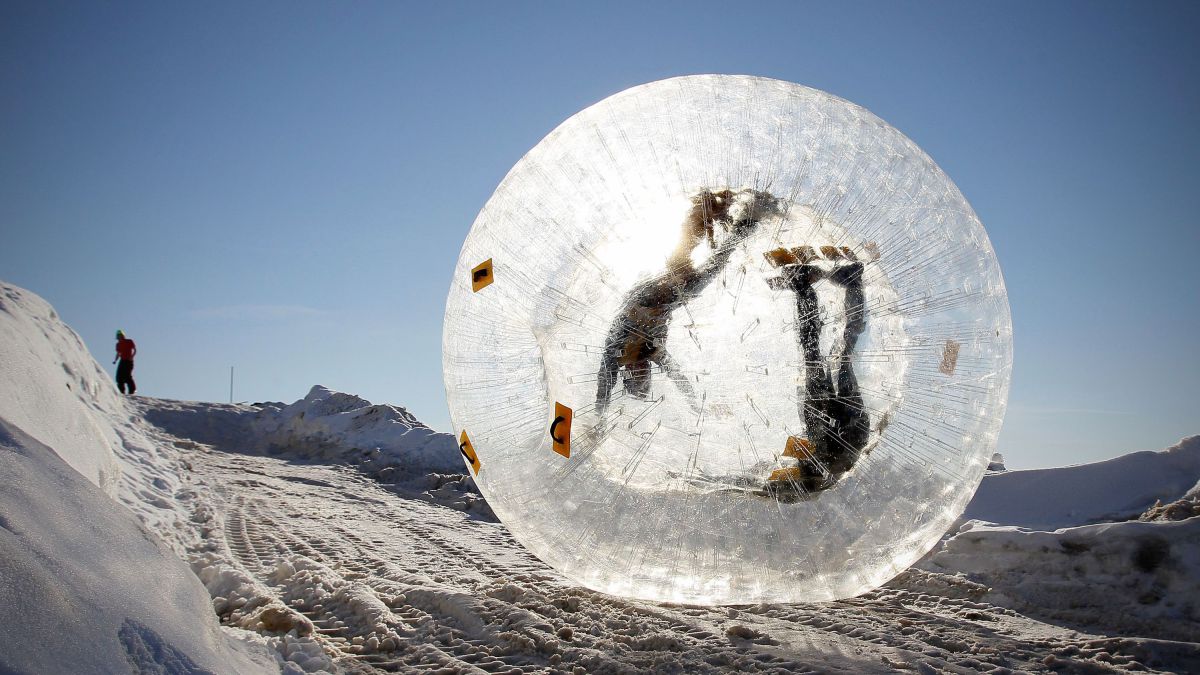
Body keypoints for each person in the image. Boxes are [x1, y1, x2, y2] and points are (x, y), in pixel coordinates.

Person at [594, 189, 780, 415]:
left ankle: (709, 210)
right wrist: (699, 407)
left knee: (683, 266)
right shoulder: (654, 353)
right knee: (703, 269)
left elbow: (604, 382)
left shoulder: (617, 355)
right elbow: (678, 378)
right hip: (668, 300)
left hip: (647, 296)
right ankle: (741, 219)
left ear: (629, 375)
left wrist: (598, 417)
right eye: (646, 375)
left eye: (639, 375)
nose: (643, 370)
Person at [113, 330, 137, 395]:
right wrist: (115, 360)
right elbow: (118, 353)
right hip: (122, 361)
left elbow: (135, 350)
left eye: (120, 335)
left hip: (129, 361)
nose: (119, 337)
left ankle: (132, 390)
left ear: (123, 336)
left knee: (127, 376)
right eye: (118, 336)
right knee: (119, 377)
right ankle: (121, 391)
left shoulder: (129, 341)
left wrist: (132, 356)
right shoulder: (118, 345)